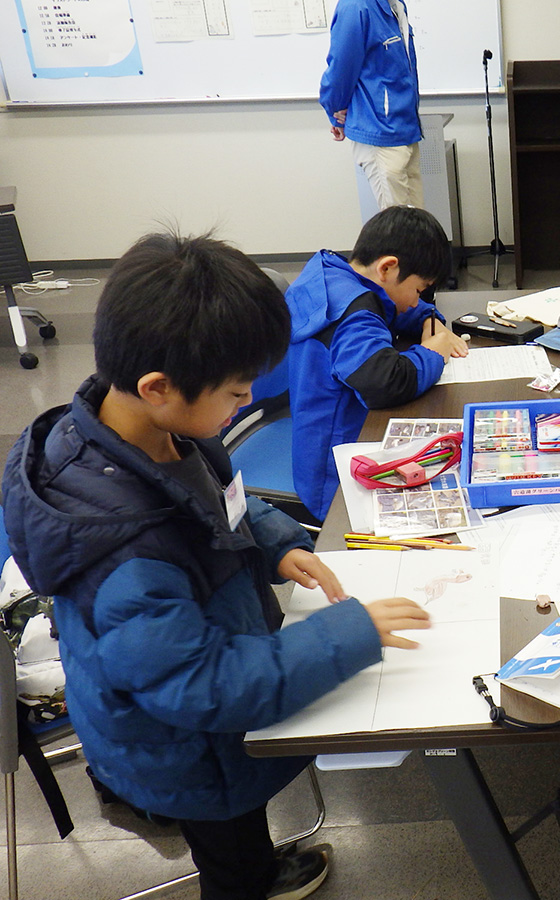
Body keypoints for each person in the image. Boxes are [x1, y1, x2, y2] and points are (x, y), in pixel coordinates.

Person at [2, 232, 433, 900]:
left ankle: (256, 869)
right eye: (235, 393)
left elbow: (221, 502)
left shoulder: (154, 428)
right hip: (184, 746)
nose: (248, 400)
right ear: (158, 387)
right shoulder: (124, 556)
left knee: (238, 830)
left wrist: (278, 541)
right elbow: (207, 686)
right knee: (228, 848)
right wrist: (348, 635)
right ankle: (247, 884)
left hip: (199, 696)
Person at [286, 205, 467, 520]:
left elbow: (389, 307)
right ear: (388, 268)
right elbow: (385, 382)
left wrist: (429, 319)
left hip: (317, 439)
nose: (417, 300)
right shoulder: (352, 315)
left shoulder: (335, 275)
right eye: (419, 290)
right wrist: (433, 352)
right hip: (334, 479)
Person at [320, 0, 424, 209]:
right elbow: (340, 70)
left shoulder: (395, 4)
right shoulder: (355, 7)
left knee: (417, 220)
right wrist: (335, 113)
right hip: (380, 130)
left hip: (406, 128)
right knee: (397, 222)